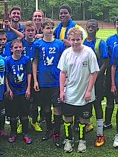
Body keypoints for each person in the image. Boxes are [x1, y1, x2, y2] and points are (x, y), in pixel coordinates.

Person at [58, 28, 99, 153]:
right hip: (70, 91)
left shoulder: (89, 52)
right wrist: (61, 91)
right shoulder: (66, 53)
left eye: (78, 40)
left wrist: (89, 91)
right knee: (68, 118)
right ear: (69, 40)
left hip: (85, 92)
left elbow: (94, 72)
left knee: (83, 119)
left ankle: (82, 141)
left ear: (82, 39)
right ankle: (69, 140)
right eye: (73, 40)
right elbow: (63, 72)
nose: (75, 42)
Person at [4, 21, 43, 133]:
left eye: (32, 30)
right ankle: (21, 123)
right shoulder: (20, 43)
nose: (30, 33)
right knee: (22, 101)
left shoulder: (38, 44)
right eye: (28, 30)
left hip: (35, 75)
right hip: (21, 77)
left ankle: (34, 122)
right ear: (24, 32)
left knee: (34, 101)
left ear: (36, 31)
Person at [32, 18, 65, 148]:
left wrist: (65, 79)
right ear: (42, 29)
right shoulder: (37, 44)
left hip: (56, 82)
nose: (49, 30)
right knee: (45, 107)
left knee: (57, 107)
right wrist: (35, 80)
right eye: (47, 28)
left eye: (51, 28)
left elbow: (64, 63)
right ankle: (49, 130)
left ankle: (57, 133)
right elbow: (34, 62)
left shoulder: (59, 44)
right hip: (43, 82)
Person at [83, 19, 109, 148]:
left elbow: (105, 62)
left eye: (94, 26)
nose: (91, 27)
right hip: (84, 80)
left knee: (97, 104)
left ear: (97, 29)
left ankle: (100, 133)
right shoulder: (82, 42)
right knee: (84, 103)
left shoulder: (100, 43)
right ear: (86, 28)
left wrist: (97, 74)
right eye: (89, 26)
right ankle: (86, 125)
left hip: (97, 80)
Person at [5, 39, 33, 144]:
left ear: (23, 48)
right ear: (11, 49)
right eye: (15, 47)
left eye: (20, 47)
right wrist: (9, 89)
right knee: (13, 114)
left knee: (24, 113)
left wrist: (28, 88)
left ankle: (25, 133)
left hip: (23, 91)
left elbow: (29, 74)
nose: (18, 49)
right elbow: (6, 76)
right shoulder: (7, 60)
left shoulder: (26, 60)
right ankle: (13, 133)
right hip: (13, 91)